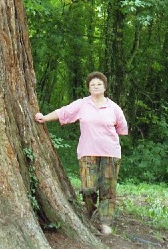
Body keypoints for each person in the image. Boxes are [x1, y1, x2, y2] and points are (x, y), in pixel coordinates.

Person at [35, 71, 128, 235]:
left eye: (99, 84)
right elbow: (64, 112)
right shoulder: (82, 104)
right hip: (87, 153)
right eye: (93, 84)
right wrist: (44, 118)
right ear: (89, 88)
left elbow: (121, 129)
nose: (96, 86)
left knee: (108, 190)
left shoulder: (114, 108)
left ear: (105, 87)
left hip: (111, 154)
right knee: (88, 188)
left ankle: (106, 222)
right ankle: (91, 216)